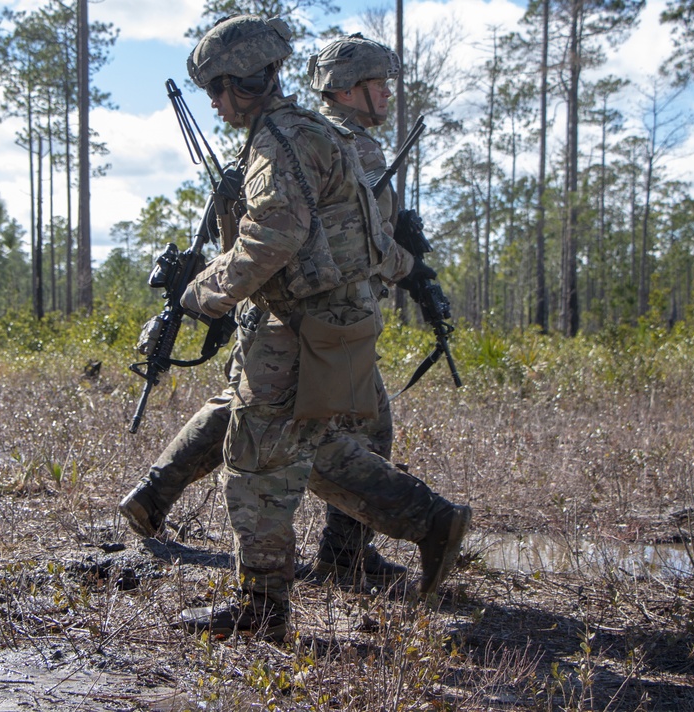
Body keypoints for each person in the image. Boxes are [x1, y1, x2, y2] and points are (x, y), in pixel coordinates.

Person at [161, 14, 471, 641]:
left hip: (296, 330)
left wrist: (202, 296)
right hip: (322, 325)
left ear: (235, 83)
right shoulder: (302, 133)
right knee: (311, 451)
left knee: (255, 467)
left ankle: (263, 610)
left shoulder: (283, 139)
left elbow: (274, 235)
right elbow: (361, 239)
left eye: (216, 91)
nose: (215, 105)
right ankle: (428, 522)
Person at [119, 34, 415, 589]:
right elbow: (323, 239)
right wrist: (401, 264)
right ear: (349, 90)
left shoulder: (290, 134)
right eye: (379, 86)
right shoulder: (321, 139)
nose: (387, 96)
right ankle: (361, 549)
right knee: (335, 437)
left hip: (302, 312)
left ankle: (156, 497)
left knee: (253, 418)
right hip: (314, 316)